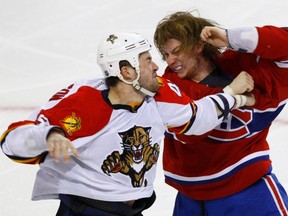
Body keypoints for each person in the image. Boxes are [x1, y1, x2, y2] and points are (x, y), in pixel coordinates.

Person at [0, 32, 253, 216]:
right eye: (146, 60)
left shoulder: (159, 94)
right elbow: (12, 140)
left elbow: (195, 117)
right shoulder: (85, 102)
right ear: (126, 71)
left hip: (131, 210)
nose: (157, 66)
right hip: (87, 210)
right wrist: (49, 135)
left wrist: (233, 95)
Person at [153, 11, 288, 216]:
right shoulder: (169, 88)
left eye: (177, 51)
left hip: (248, 191)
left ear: (198, 46)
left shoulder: (243, 66)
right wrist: (235, 96)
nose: (170, 61)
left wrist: (230, 37)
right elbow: (192, 127)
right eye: (166, 55)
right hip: (192, 199)